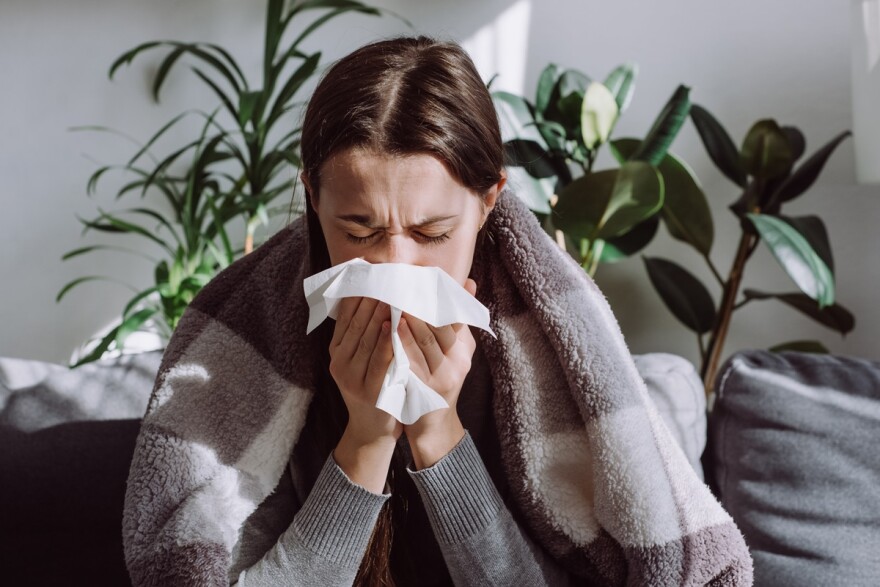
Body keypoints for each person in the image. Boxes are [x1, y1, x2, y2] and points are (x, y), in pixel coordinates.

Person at [123, 36, 752, 587]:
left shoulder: (542, 346)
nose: (398, 268)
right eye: (360, 231)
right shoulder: (255, 336)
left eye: (431, 233)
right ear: (313, 197)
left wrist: (436, 430)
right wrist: (366, 440)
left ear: (487, 203)